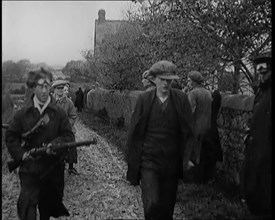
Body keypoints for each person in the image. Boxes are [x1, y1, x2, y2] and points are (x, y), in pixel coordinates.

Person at [126, 60, 195, 220]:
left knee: (166, 207)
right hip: (149, 161)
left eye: (169, 80)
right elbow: (134, 132)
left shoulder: (181, 99)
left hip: (171, 162)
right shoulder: (144, 99)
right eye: (162, 79)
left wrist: (190, 156)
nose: (165, 84)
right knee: (151, 204)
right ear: (154, 79)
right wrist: (133, 158)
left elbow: (189, 130)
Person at [5, 67, 75, 220]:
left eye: (47, 86)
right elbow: (11, 136)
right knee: (27, 207)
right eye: (40, 86)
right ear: (33, 87)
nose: (44, 90)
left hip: (52, 170)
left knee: (47, 209)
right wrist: (21, 154)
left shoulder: (59, 113)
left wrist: (55, 145)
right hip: (29, 169)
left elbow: (68, 136)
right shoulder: (22, 113)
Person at [240, 56, 271, 218]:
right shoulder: (261, 92)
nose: (261, 76)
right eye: (259, 72)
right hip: (255, 153)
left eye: (265, 72)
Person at [186, 70, 213, 183]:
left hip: (196, 127)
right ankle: (204, 179)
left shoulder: (193, 93)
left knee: (194, 154)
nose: (187, 83)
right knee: (204, 155)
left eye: (189, 81)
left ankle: (194, 180)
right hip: (207, 127)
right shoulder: (208, 93)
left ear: (193, 82)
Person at [52, 80, 78, 175]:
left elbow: (73, 116)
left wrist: (67, 125)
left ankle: (71, 167)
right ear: (54, 90)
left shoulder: (69, 102)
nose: (60, 90)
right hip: (53, 130)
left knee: (71, 143)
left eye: (62, 88)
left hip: (66, 129)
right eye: (58, 88)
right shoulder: (50, 102)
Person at [199, 89, 223, 184]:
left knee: (206, 157)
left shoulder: (209, 106)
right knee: (210, 158)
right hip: (212, 132)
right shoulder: (214, 107)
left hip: (208, 132)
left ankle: (204, 179)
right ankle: (208, 179)